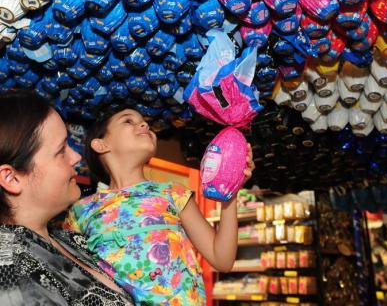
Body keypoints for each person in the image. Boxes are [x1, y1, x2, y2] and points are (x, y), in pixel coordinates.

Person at [64, 106, 255, 305]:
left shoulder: (173, 193)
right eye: (128, 121)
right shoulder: (81, 210)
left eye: (144, 121)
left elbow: (222, 259)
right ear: (101, 144)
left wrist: (230, 193)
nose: (144, 124)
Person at [0, 91, 135, 306]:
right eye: (61, 150)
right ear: (12, 178)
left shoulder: (68, 239)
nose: (76, 156)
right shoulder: (8, 271)